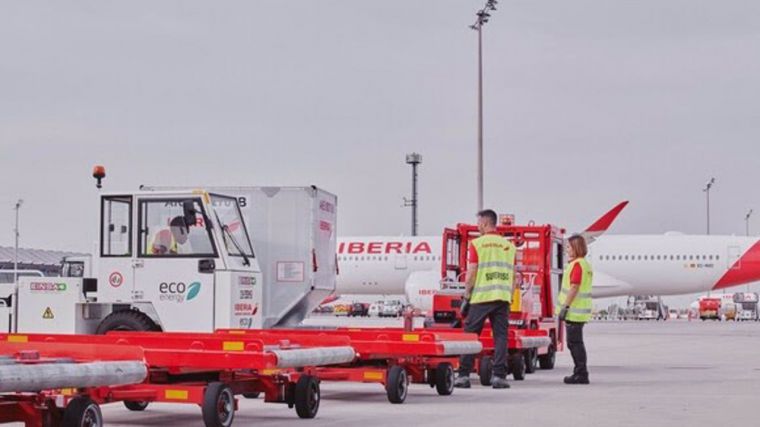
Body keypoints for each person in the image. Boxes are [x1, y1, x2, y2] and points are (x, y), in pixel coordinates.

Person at [454, 209, 516, 389]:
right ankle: (499, 376)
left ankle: (464, 375)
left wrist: (466, 296)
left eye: (479, 223)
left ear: (485, 223)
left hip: (481, 297)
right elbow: (513, 276)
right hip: (502, 298)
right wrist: (510, 297)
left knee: (471, 336)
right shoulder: (509, 246)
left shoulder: (478, 244)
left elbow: (472, 271)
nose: (477, 226)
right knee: (501, 337)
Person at [556, 234, 593, 384]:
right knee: (577, 343)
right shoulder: (585, 265)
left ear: (576, 248)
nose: (567, 250)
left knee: (574, 343)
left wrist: (565, 306)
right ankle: (580, 372)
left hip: (574, 311)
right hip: (580, 311)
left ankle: (581, 373)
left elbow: (574, 286)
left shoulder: (577, 265)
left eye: (569, 247)